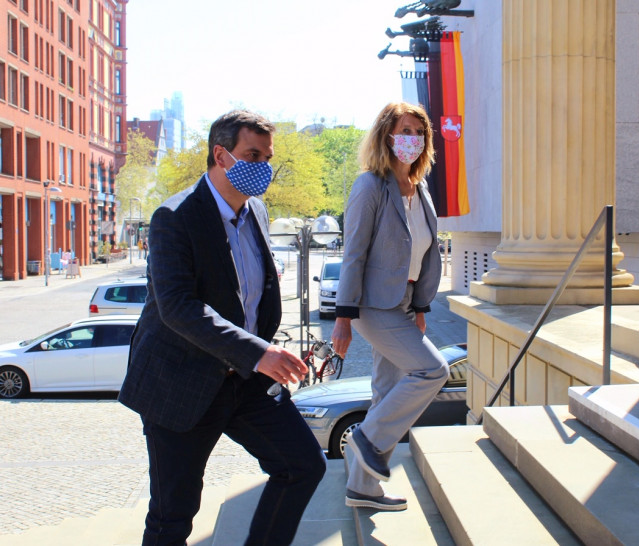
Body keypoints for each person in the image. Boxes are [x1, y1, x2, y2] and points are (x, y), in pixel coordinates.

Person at [118, 110, 326, 545]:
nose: (263, 167)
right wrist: (258, 352)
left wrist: (261, 351)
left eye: (268, 157)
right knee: (173, 516)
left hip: (246, 381)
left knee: (303, 465)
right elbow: (178, 307)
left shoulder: (258, 212)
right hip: (182, 383)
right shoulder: (174, 217)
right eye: (253, 155)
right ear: (221, 154)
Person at [331, 102, 449, 512]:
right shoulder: (370, 186)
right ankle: (368, 438)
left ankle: (363, 489)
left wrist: (420, 307)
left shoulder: (421, 189)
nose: (411, 139)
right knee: (433, 370)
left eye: (419, 132)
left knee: (385, 389)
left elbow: (423, 253)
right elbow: (354, 254)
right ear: (386, 135)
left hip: (403, 302)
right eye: (404, 130)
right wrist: (343, 318)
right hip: (371, 305)